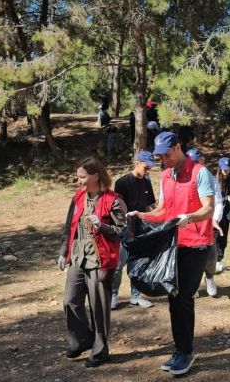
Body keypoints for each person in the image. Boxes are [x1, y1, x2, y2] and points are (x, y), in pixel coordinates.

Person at [127, 131, 214, 376]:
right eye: (159, 156)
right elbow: (163, 210)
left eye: (166, 155)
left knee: (183, 296)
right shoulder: (166, 175)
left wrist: (190, 217)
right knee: (174, 296)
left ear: (178, 147)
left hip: (196, 244)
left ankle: (185, 352)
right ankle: (180, 350)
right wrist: (141, 215)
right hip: (173, 245)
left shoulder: (200, 173)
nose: (163, 160)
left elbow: (208, 209)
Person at [58, 157, 127, 368]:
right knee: (70, 300)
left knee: (98, 308)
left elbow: (123, 232)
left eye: (82, 177)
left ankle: (100, 350)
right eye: (78, 177)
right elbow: (69, 225)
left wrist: (103, 227)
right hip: (78, 258)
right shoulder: (78, 197)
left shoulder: (113, 200)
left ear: (96, 175)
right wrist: (63, 252)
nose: (79, 181)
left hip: (100, 261)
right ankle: (82, 340)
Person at [111, 151, 157, 309]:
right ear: (137, 163)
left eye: (150, 168)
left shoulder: (146, 182)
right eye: (146, 167)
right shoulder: (122, 182)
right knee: (119, 263)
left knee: (138, 264)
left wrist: (155, 220)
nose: (148, 170)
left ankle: (135, 296)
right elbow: (115, 208)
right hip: (124, 229)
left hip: (141, 228)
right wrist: (124, 222)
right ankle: (113, 295)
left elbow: (149, 206)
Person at [186, 148, 222, 298]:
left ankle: (209, 277)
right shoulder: (184, 178)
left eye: (197, 162)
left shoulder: (211, 178)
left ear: (203, 161)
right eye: (192, 162)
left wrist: (215, 219)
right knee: (190, 256)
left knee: (211, 254)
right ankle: (193, 284)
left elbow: (218, 202)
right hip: (190, 222)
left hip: (207, 223)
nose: (195, 165)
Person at [214, 156, 230, 272]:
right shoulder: (215, 180)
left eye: (228, 169)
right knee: (216, 237)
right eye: (224, 169)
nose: (226, 171)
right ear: (220, 167)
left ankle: (219, 261)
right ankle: (215, 261)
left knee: (223, 237)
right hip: (216, 214)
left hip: (226, 214)